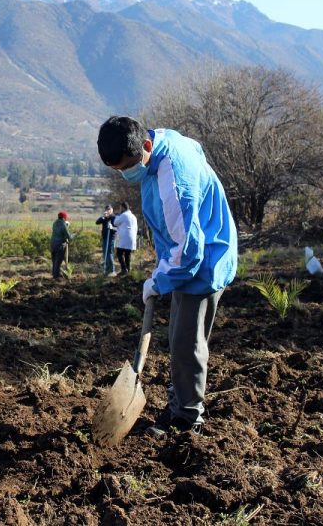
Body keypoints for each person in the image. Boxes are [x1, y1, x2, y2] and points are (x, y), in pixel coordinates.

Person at [97, 116, 237, 436]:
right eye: (118, 170)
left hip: (203, 263)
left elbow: (188, 251)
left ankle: (188, 419)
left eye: (128, 166)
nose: (126, 174)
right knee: (177, 335)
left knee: (187, 341)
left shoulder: (173, 178)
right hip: (182, 261)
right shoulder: (156, 147)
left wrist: (159, 280)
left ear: (145, 146)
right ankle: (179, 401)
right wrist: (163, 269)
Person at [113, 201, 137, 275]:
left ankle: (124, 269)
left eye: (120, 208)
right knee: (127, 254)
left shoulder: (123, 215)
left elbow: (115, 223)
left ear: (123, 208)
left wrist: (117, 216)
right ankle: (128, 270)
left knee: (119, 253)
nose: (120, 209)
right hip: (131, 238)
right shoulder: (133, 216)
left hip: (123, 237)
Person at [50, 210, 73, 279]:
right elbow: (69, 236)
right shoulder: (63, 225)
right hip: (60, 245)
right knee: (58, 261)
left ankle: (54, 274)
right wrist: (73, 235)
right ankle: (56, 276)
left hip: (53, 244)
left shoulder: (54, 223)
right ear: (64, 217)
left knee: (54, 260)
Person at [95, 204, 117, 276]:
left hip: (111, 238)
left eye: (109, 209)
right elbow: (97, 222)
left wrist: (112, 228)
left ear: (112, 210)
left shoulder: (114, 217)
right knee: (105, 254)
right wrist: (103, 217)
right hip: (105, 237)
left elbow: (116, 228)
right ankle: (107, 269)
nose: (107, 211)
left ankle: (112, 270)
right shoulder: (105, 218)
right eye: (106, 209)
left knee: (110, 253)